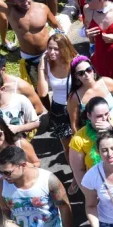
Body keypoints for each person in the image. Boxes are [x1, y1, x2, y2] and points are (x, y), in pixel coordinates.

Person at [36, 33, 77, 166]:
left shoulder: (76, 61)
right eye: (49, 48)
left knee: (84, 142)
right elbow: (42, 93)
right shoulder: (47, 65)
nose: (51, 52)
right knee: (68, 147)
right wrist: (41, 68)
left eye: (56, 49)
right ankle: (76, 175)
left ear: (65, 49)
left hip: (78, 107)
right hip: (59, 110)